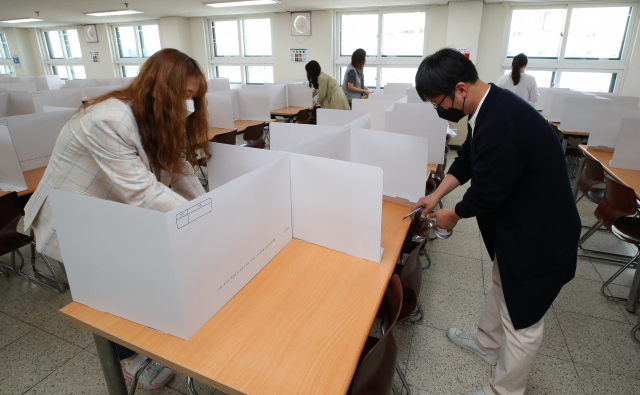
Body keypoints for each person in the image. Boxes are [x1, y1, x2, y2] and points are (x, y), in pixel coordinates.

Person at [23, 48, 210, 390]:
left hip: (110, 213)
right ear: (159, 90)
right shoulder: (110, 118)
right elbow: (143, 193)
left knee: (131, 285)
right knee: (112, 295)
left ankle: (143, 345)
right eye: (183, 95)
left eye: (192, 98)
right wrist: (203, 220)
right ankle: (129, 360)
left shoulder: (155, 116)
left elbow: (178, 168)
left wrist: (210, 207)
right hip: (76, 218)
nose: (187, 107)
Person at [412, 48, 580, 395]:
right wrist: (435, 195)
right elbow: (468, 159)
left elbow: (488, 193)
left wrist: (452, 215)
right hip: (521, 226)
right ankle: (487, 344)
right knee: (503, 283)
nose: (439, 109)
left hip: (542, 237)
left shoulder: (503, 122)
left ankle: (504, 391)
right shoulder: (489, 107)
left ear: (460, 89)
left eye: (437, 101)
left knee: (524, 320)